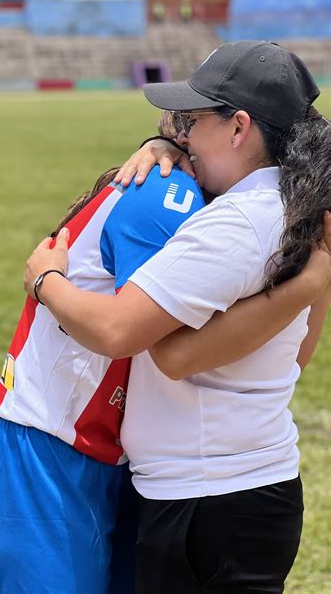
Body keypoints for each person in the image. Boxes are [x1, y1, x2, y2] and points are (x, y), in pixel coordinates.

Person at [23, 41, 330, 593]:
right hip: (241, 488)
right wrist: (161, 142)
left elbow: (127, 334)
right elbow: (298, 356)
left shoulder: (237, 223)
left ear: (238, 129)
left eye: (192, 120)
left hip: (208, 499)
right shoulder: (294, 206)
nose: (184, 135)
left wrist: (47, 281)